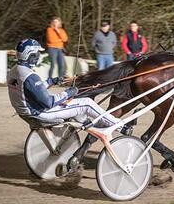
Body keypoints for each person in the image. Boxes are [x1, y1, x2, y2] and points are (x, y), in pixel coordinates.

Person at [7, 38, 133, 173]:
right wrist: (69, 92)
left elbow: (31, 90)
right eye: (36, 53)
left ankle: (89, 124)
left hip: (26, 112)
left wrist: (52, 81)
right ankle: (121, 126)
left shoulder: (15, 71)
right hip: (42, 113)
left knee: (77, 109)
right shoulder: (30, 76)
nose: (38, 56)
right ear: (30, 55)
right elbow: (48, 102)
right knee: (86, 103)